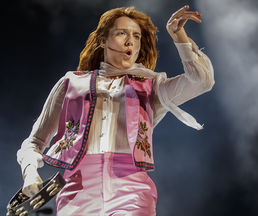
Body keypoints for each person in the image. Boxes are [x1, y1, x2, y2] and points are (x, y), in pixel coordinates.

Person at [17, 5, 214, 215]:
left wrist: (178, 35)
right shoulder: (71, 83)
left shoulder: (151, 86)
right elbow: (34, 142)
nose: (131, 41)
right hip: (77, 190)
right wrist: (30, 173)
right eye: (122, 33)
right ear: (103, 41)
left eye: (136, 36)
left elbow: (202, 81)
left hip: (132, 189)